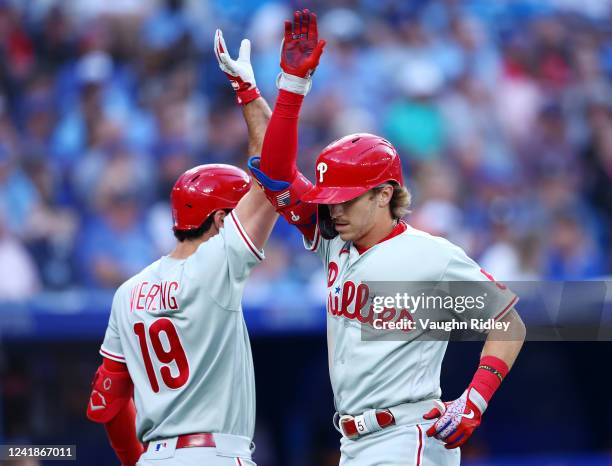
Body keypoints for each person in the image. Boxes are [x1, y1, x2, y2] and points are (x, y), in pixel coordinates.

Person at [249, 9, 526, 465]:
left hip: (409, 435)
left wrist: (474, 398)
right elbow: (276, 176)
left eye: (347, 198)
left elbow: (508, 323)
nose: (333, 208)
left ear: (384, 194)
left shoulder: (429, 254)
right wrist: (292, 90)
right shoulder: (335, 239)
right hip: (354, 441)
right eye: (330, 198)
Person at [86, 29, 277, 466]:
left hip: (154, 456)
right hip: (214, 454)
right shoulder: (217, 263)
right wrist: (247, 91)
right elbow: (274, 175)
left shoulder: (128, 291)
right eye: (236, 210)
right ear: (219, 220)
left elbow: (108, 404)